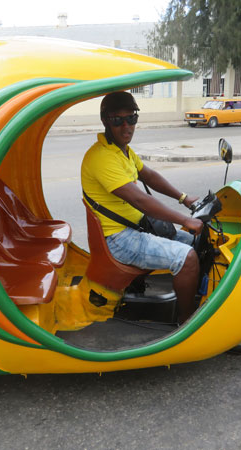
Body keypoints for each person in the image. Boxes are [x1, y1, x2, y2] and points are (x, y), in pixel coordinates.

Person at [81, 92, 203, 323]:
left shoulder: (123, 151)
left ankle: (197, 293)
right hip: (118, 239)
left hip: (135, 228)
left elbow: (149, 176)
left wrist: (184, 197)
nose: (126, 126)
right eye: (118, 120)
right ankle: (187, 321)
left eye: (131, 118)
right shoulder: (101, 157)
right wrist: (185, 220)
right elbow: (140, 200)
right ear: (105, 120)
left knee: (199, 243)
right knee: (186, 258)